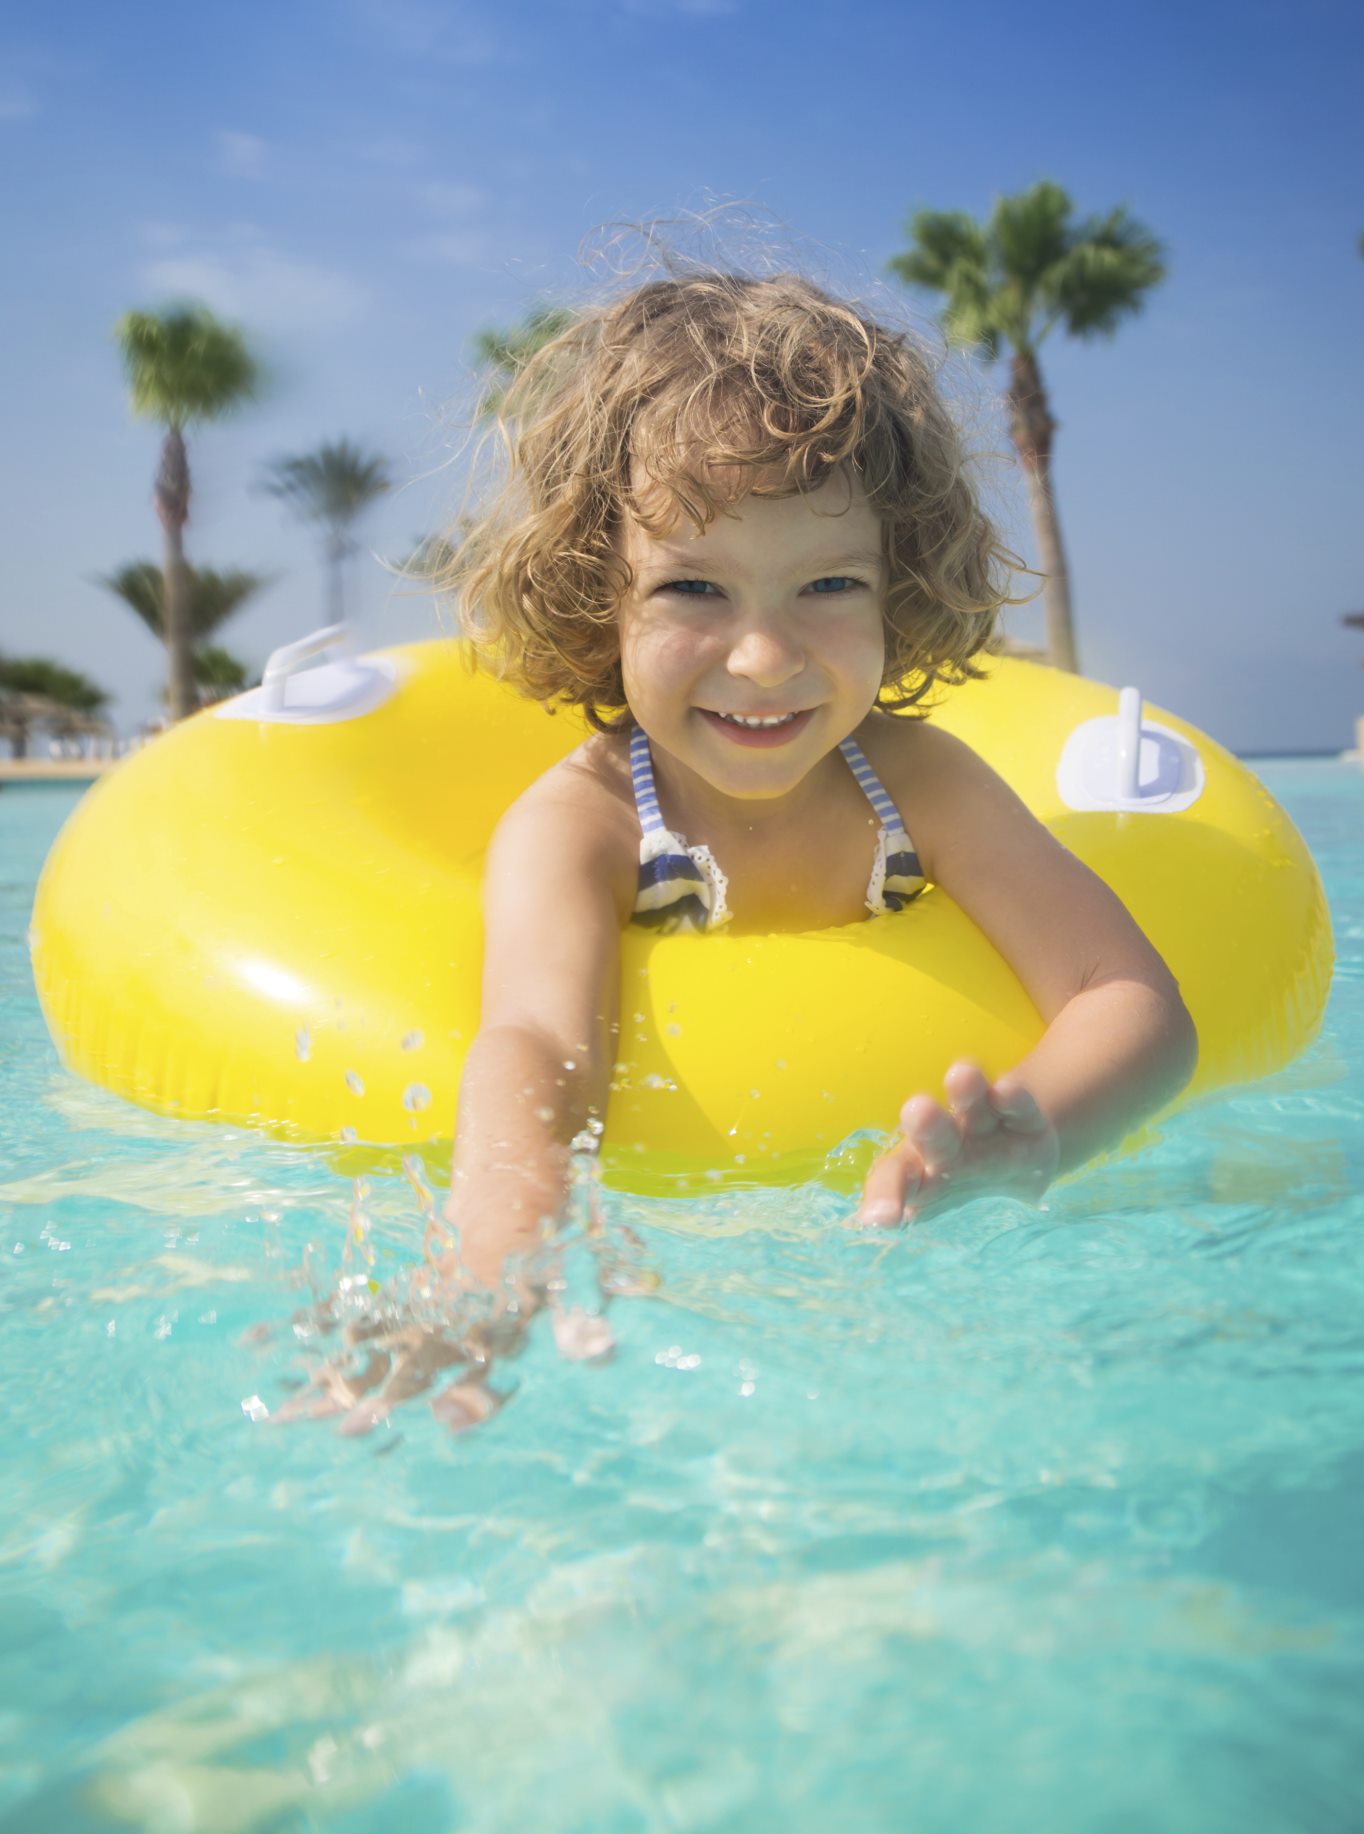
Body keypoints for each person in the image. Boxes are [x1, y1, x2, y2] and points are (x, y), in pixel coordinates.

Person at [439, 269, 1198, 1295]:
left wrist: (1035, 1132)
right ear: (596, 593)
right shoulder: (588, 823)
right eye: (692, 587)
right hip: (690, 1258)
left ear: (898, 584)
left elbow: (1125, 994)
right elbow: (535, 1044)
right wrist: (496, 1270)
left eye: (828, 583)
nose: (763, 658)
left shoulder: (915, 781)